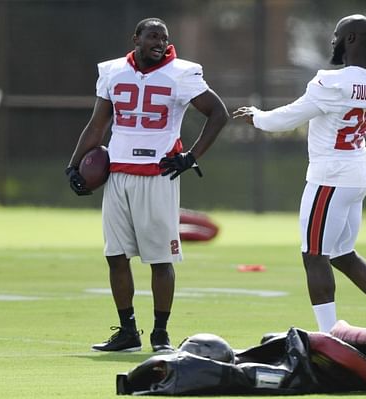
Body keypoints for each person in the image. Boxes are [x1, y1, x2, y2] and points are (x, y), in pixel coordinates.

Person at [234, 14, 366, 338]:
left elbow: (291, 116)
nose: (333, 41)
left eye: (337, 35)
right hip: (357, 173)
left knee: (314, 255)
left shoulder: (331, 82)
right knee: (341, 254)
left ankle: (329, 336)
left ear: (351, 40)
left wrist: (257, 118)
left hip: (330, 176)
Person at [66, 17, 229, 352]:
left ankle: (160, 334)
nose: (159, 42)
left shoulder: (182, 72)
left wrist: (191, 156)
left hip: (158, 174)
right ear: (136, 38)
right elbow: (97, 124)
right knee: (115, 255)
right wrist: (73, 165)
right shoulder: (113, 71)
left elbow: (219, 113)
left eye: (164, 38)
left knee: (159, 259)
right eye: (153, 36)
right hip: (118, 173)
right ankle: (127, 333)